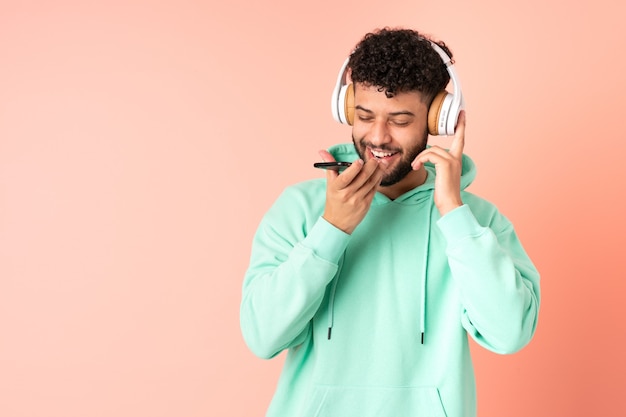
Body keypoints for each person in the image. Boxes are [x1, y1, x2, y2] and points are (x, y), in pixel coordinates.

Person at [240, 27, 540, 417]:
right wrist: (331, 229)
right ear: (346, 109)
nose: (378, 137)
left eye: (399, 120)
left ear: (437, 118)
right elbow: (262, 337)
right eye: (365, 116)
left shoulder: (476, 223)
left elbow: (509, 334)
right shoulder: (299, 209)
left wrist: (453, 213)